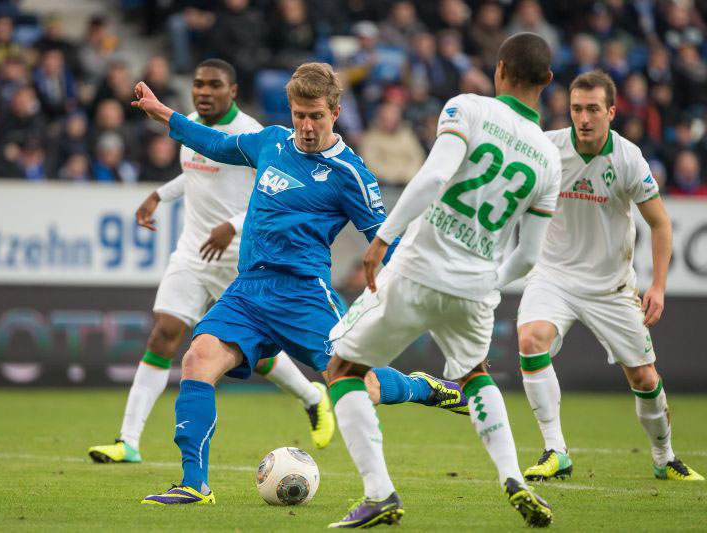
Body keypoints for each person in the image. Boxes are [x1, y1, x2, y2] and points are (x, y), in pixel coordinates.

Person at [130, 61, 467, 506]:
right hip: (249, 290)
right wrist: (162, 112)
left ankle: (424, 388)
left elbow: (387, 241)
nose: (307, 127)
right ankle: (195, 484)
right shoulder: (271, 142)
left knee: (357, 385)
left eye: (316, 117)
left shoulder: (350, 173)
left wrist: (430, 289)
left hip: (304, 295)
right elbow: (216, 144)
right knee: (197, 359)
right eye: (299, 116)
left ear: (336, 112)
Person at [326, 33, 561, 528]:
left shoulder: (467, 108)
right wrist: (489, 281)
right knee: (474, 374)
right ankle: (512, 476)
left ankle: (379, 493)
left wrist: (382, 238)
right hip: (476, 287)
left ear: (500, 69)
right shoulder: (548, 157)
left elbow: (433, 177)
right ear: (547, 80)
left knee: (343, 370)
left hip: (418, 269)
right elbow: (528, 255)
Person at [87, 59, 335, 465]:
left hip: (241, 258)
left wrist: (231, 227)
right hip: (192, 251)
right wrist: (160, 195)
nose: (204, 91)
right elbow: (196, 172)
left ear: (232, 91)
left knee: (255, 352)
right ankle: (127, 441)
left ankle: (311, 396)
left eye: (214, 85)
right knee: (164, 333)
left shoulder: (252, 132)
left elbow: (277, 192)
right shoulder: (190, 124)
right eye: (199, 84)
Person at [518, 70, 704, 482]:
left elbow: (660, 223)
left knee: (644, 377)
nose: (583, 118)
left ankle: (664, 457)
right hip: (554, 275)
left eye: (593, 109)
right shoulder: (547, 149)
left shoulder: (628, 158)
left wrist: (658, 286)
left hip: (611, 286)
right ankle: (555, 450)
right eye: (576, 109)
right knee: (530, 341)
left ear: (612, 112)